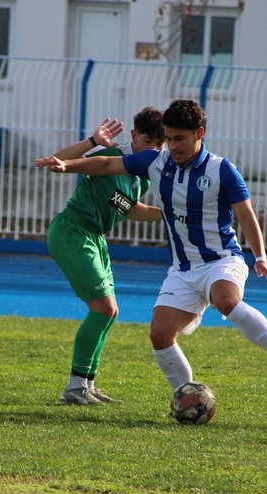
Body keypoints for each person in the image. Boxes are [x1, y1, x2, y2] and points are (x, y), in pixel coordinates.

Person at [36, 99, 267, 396]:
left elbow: (245, 215)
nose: (169, 146)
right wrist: (69, 164)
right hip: (161, 262)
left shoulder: (222, 170)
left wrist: (260, 256)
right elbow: (104, 163)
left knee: (223, 301)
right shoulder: (153, 163)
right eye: (167, 139)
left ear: (199, 134)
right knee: (146, 327)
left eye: (176, 139)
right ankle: (182, 396)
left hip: (219, 259)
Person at [48, 108, 166, 405]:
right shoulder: (114, 156)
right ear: (134, 136)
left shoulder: (144, 176)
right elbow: (61, 160)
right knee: (102, 309)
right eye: (149, 142)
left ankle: (85, 384)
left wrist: (172, 215)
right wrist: (92, 141)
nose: (154, 150)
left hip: (94, 238)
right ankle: (75, 388)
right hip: (73, 231)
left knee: (110, 312)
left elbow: (133, 209)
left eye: (160, 146)